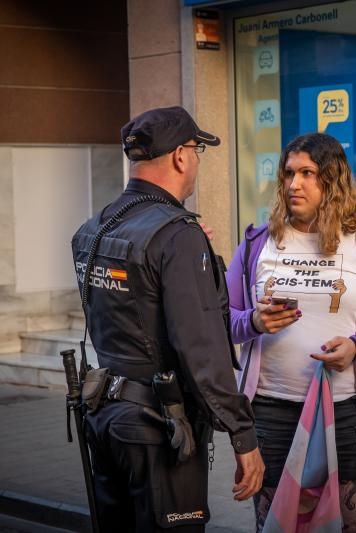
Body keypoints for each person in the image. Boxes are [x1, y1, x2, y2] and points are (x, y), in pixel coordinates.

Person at [70, 106, 264, 531]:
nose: (196, 161)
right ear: (180, 155)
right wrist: (242, 435)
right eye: (197, 150)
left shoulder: (94, 227)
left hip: (105, 418)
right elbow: (202, 349)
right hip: (159, 430)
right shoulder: (175, 234)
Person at [225, 132, 356, 531]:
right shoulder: (256, 245)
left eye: (308, 173)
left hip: (347, 414)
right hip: (271, 414)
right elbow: (219, 319)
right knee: (276, 527)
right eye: (289, 173)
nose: (294, 184)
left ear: (333, 179)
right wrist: (254, 323)